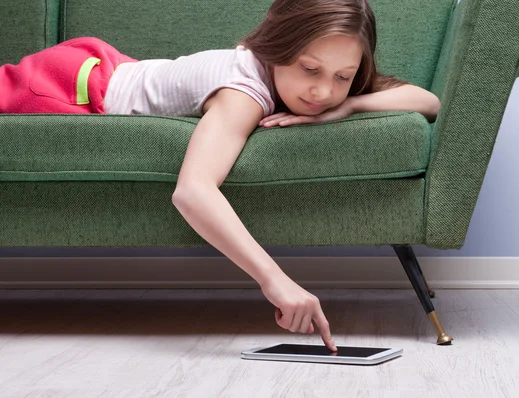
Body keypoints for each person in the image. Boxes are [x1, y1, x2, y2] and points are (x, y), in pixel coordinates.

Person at [0, 0, 440, 351]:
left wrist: (351, 104)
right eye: (309, 70)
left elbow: (428, 101)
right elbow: (192, 192)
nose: (322, 93)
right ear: (277, 48)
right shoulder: (242, 93)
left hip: (108, 65)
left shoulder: (329, 89)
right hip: (66, 87)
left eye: (342, 77)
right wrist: (277, 282)